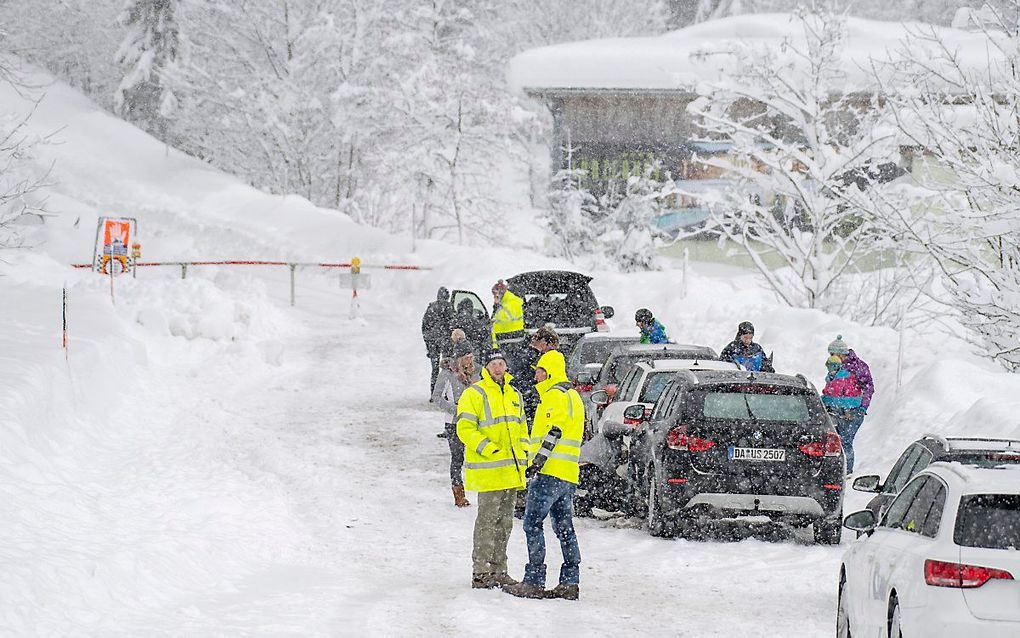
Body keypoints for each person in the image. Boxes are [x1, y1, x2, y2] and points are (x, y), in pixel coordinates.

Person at [503, 349, 584, 601]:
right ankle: (570, 581)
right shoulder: (575, 397)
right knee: (564, 528)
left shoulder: (553, 397)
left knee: (532, 524)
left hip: (549, 473)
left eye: (538, 371)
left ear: (548, 371)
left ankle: (534, 580)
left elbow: (554, 431)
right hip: (568, 473)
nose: (535, 376)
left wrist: (536, 463)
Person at [456, 350, 529, 590]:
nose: (498, 367)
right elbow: (465, 429)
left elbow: (522, 430)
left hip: (511, 472)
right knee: (487, 522)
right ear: (486, 368)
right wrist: (489, 449)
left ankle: (500, 569)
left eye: (501, 363)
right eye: (494, 363)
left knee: (505, 523)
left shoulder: (514, 394)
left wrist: (525, 457)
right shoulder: (474, 394)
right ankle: (481, 572)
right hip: (489, 472)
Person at [432, 341, 479, 507]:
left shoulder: (479, 371)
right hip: (454, 422)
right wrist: (457, 410)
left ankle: (484, 491)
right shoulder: (447, 374)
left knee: (479, 456)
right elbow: (436, 397)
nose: (469, 360)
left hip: (476, 421)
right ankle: (459, 494)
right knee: (457, 458)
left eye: (471, 356)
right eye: (466, 357)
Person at [824, 335, 874, 474]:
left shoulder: (858, 367)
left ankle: (847, 472)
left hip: (851, 412)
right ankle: (835, 471)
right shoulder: (834, 366)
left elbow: (868, 388)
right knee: (833, 443)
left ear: (841, 353)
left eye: (833, 353)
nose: (831, 356)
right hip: (833, 410)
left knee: (845, 442)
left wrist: (862, 408)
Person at [421, 287, 454, 396]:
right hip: (445, 341)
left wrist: (428, 343)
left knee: (434, 368)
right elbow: (452, 324)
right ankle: (442, 393)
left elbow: (424, 326)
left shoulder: (431, 307)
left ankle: (433, 393)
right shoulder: (449, 307)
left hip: (432, 342)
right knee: (445, 369)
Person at [490, 279, 526, 364]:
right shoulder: (502, 304)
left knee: (511, 368)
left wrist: (498, 304)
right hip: (504, 341)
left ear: (500, 293)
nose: (494, 297)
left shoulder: (512, 301)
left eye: (495, 294)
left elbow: (506, 318)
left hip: (512, 341)